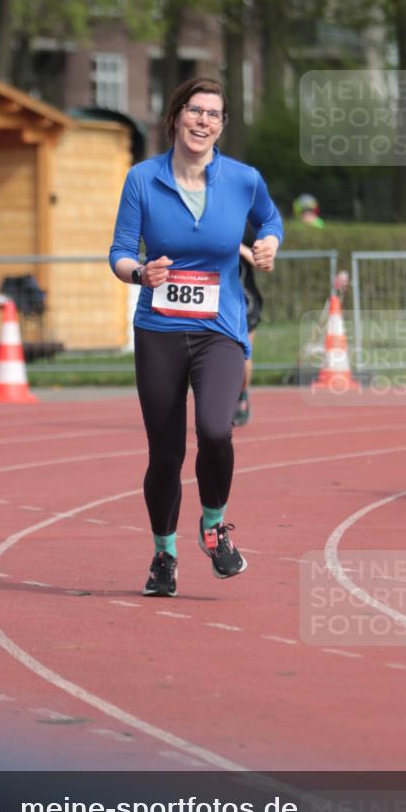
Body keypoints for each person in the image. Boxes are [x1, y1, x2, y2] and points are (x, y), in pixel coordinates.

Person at [109, 77, 283, 597]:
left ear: (222, 125)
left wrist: (269, 242)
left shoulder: (243, 179)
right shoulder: (142, 179)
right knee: (165, 454)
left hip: (219, 331)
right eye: (195, 111)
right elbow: (119, 251)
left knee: (215, 430)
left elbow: (269, 218)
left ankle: (214, 527)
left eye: (213, 114)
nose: (203, 121)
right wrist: (141, 273)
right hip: (159, 330)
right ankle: (164, 555)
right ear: (176, 116)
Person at [233, 222, 264, 426]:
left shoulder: (246, 228)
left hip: (246, 301)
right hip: (214, 300)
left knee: (243, 355)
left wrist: (238, 248)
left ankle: (242, 395)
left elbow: (263, 262)